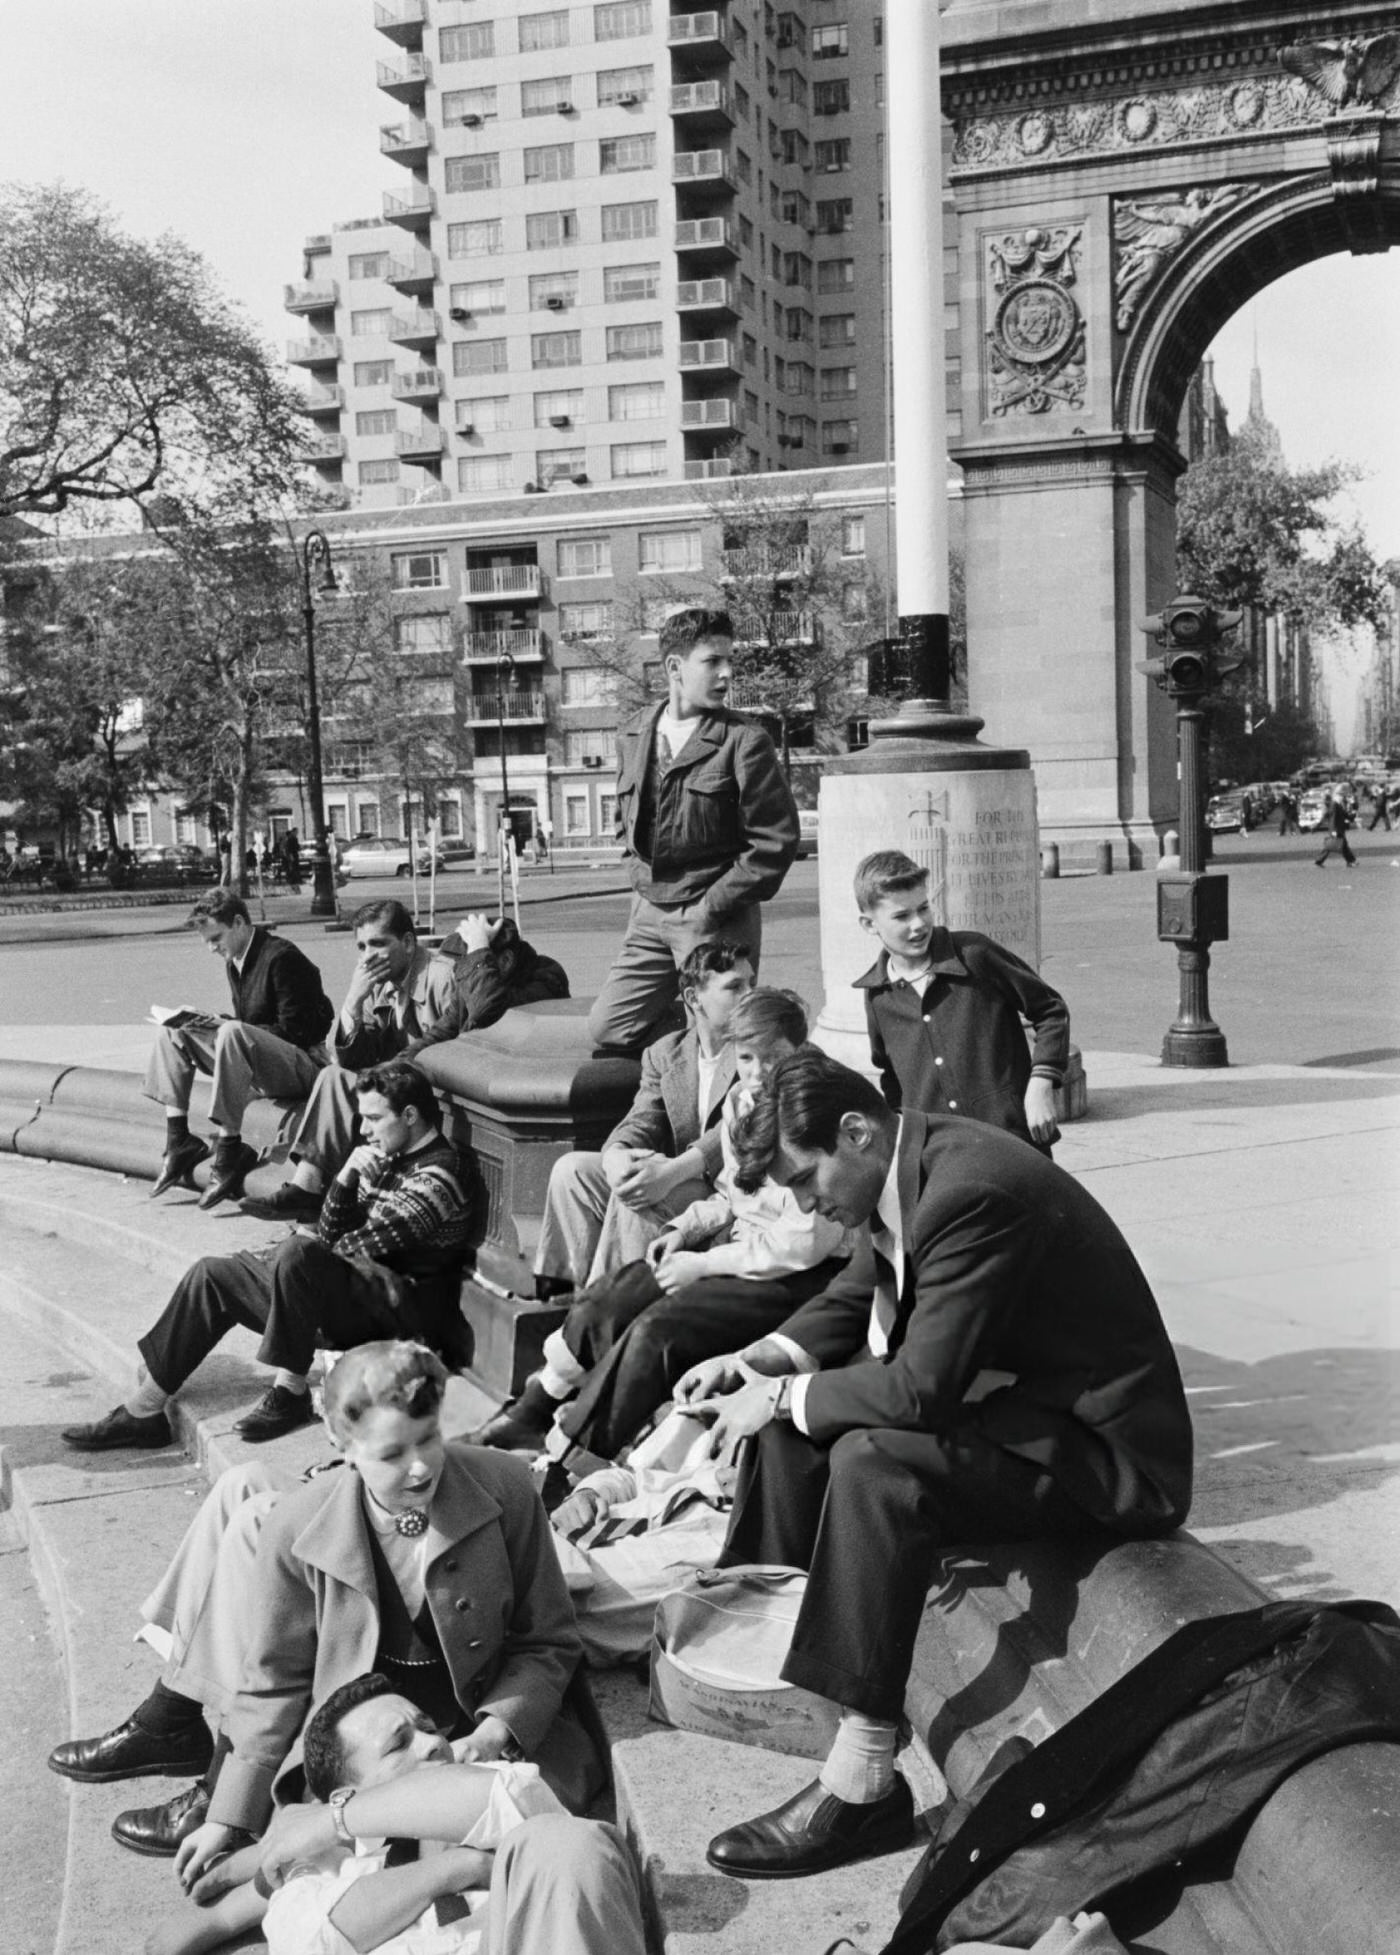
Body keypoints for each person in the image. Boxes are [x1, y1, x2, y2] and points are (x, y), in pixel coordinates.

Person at [676, 1048, 1193, 1880]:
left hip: (1103, 1454)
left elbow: (919, 1391)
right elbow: (859, 1293)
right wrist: (763, 1361)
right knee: (792, 1425)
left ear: (855, 1131)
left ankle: (863, 1782)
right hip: (1019, 1408)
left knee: (873, 1463)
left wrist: (782, 1399)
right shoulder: (908, 1160)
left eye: (806, 1181)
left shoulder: (969, 1192)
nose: (807, 1203)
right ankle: (772, 1662)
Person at [54, 1342, 601, 1873]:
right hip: (365, 1746)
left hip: (487, 1732)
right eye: (391, 1453)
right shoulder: (295, 1525)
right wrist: (229, 1815)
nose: (419, 1469)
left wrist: (494, 1732)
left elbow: (547, 1639)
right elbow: (276, 1680)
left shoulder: (506, 1487)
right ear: (343, 1447)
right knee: (309, 1869)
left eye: (428, 1438)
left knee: (496, 1844)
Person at [475, 987, 848, 1461]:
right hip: (740, 1253)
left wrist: (704, 1264)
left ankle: (575, 1457)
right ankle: (535, 1406)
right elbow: (732, 1195)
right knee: (620, 1290)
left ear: (799, 1050)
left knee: (658, 1329)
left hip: (798, 1276)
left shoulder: (812, 1113)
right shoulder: (742, 1104)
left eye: (772, 1059)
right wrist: (685, 1230)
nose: (757, 1073)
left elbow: (803, 1244)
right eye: (748, 1058)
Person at [61, 1063, 472, 1449]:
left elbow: (355, 1246)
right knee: (212, 1275)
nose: (364, 1131)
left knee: (298, 1252)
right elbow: (332, 1233)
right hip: (347, 1296)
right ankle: (144, 1410)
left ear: (412, 1115)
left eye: (374, 1119)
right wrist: (345, 1177)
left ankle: (288, 1390)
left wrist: (307, 1250)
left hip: (392, 1317)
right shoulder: (385, 1156)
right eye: (361, 1118)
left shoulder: (437, 1176)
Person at [140, 1677, 645, 1955]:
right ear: (346, 1789)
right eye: (399, 1744)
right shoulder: (324, 1866)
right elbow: (318, 1942)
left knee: (571, 1843)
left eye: (427, 1727)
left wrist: (333, 1818)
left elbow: (512, 1800)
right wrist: (458, 1869)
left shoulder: (506, 1809)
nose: (434, 1743)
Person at [587, 607, 799, 1054]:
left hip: (713, 914)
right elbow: (628, 828)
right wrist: (638, 885)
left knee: (723, 1042)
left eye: (729, 662)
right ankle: (684, 1022)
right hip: (649, 911)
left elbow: (774, 844)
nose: (726, 674)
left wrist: (709, 908)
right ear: (674, 667)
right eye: (712, 662)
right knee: (609, 1027)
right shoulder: (634, 733)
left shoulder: (744, 740)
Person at [534, 940, 751, 1297]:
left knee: (637, 1195)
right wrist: (618, 1153)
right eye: (734, 987)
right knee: (571, 1170)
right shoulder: (666, 1052)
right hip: (679, 1177)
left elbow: (732, 1130)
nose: (749, 995)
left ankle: (602, 1308)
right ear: (694, 999)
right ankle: (557, 1294)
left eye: (750, 983)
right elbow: (642, 1118)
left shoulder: (755, 1051)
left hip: (723, 1189)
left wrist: (670, 1173)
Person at [242, 900, 465, 1223]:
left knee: (338, 1082)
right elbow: (351, 1061)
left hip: (433, 1098)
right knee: (333, 1076)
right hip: (394, 1093)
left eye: (378, 943)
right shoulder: (377, 984)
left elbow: (460, 1047)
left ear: (407, 942)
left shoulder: (442, 978)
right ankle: (307, 1187)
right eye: (361, 946)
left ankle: (313, 1194)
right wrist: (352, 1001)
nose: (368, 955)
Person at [853, 850, 1069, 1151]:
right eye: (902, 916)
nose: (918, 924)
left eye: (924, 908)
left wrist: (1041, 1082)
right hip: (940, 1156)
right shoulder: (878, 995)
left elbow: (1051, 1011)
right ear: (869, 924)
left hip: (1013, 1141)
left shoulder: (975, 955)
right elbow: (892, 1077)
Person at [145, 888, 335, 1210]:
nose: (211, 949)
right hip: (261, 1059)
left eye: (216, 938)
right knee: (172, 1031)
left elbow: (299, 1032)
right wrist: (211, 1023)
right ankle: (178, 1140)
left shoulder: (282, 957)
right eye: (206, 941)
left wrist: (229, 1028)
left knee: (231, 1032)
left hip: (305, 1066)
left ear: (238, 923)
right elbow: (252, 1023)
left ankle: (229, 1147)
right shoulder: (236, 959)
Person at [438, 912, 571, 1025]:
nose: (459, 969)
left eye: (474, 962)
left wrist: (479, 946)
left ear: (506, 961)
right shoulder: (473, 985)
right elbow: (442, 1032)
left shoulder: (545, 981)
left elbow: (485, 1010)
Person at [1315, 789, 1357, 868]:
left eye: (1342, 796)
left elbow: (1346, 816)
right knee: (1332, 845)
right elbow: (1333, 818)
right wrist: (1334, 830)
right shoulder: (1334, 805)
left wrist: (1353, 813)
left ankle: (1350, 861)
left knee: (1339, 845)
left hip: (1338, 829)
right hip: (1336, 829)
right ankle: (1351, 861)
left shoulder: (1337, 805)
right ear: (1336, 796)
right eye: (1340, 796)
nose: (1342, 798)